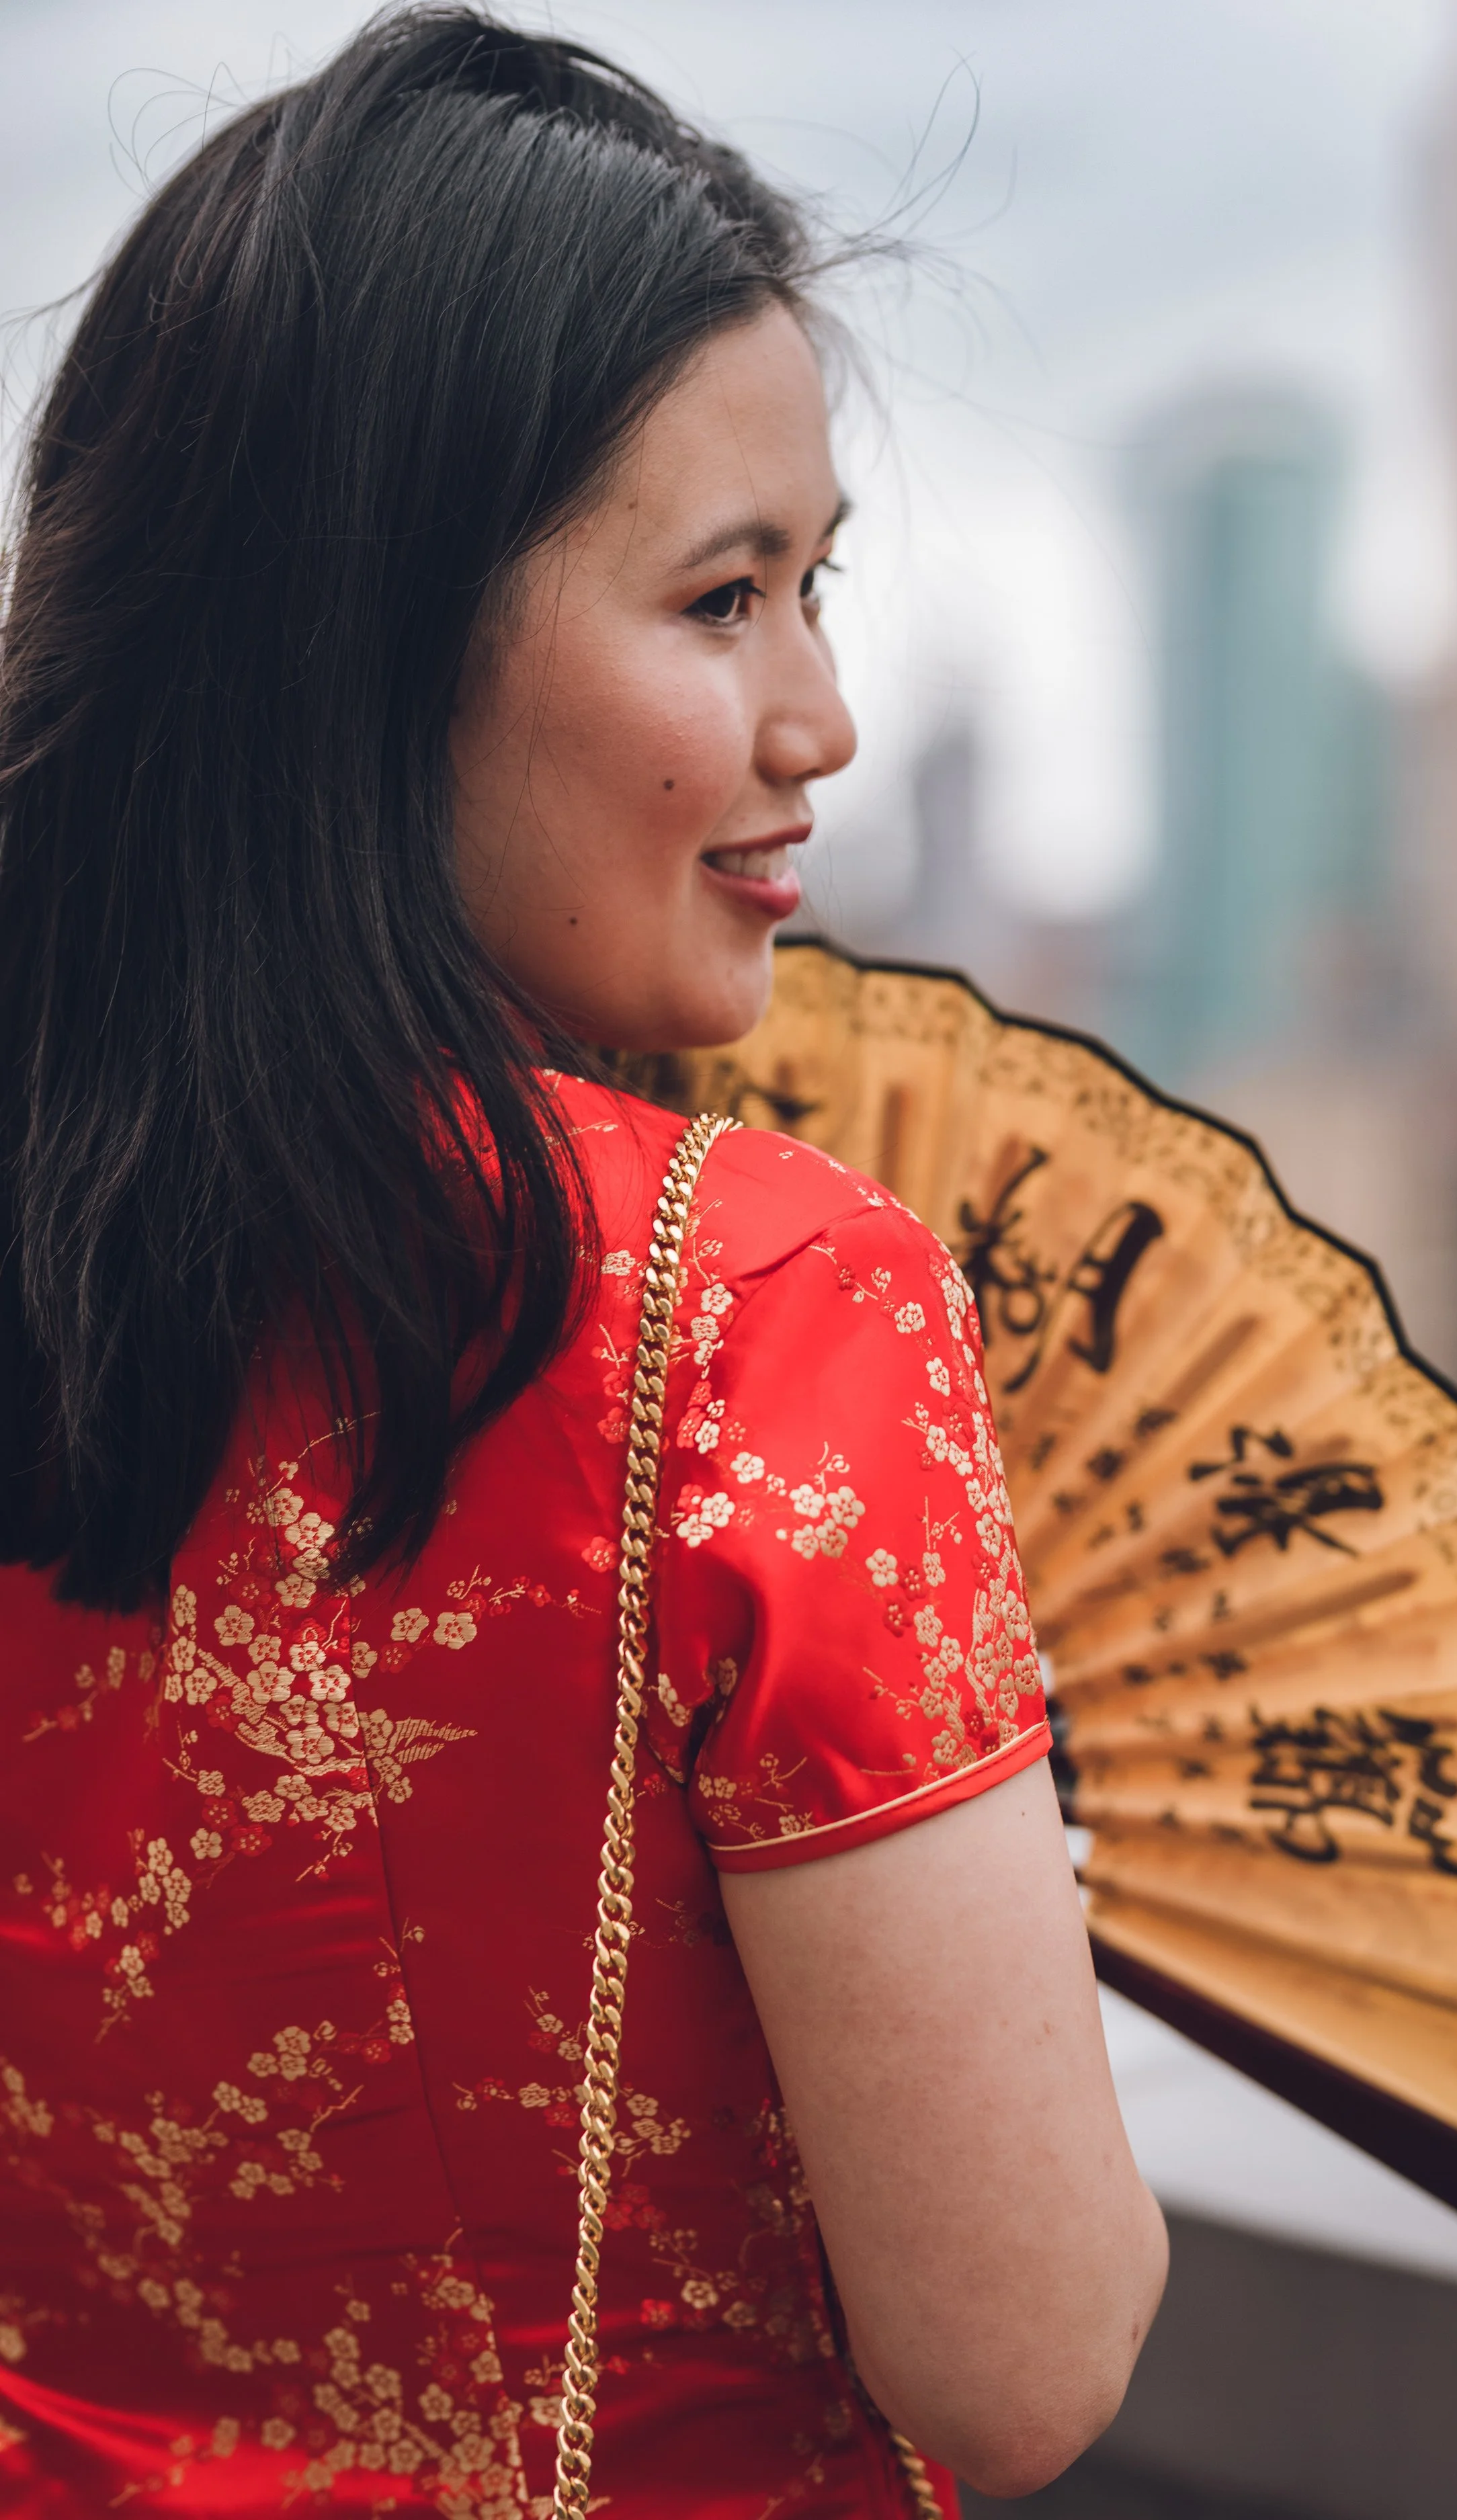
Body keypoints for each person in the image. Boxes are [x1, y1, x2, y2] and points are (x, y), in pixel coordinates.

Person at [0, 12, 1167, 2513]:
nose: (819, 718)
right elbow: (1023, 2353)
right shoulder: (763, 1308)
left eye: (816, 586)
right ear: (375, 636)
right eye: (723, 597)